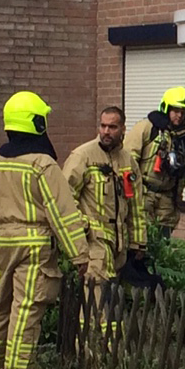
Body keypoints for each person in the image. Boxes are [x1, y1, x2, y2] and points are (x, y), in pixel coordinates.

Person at [0, 91, 88, 369]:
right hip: (35, 248)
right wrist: (79, 255)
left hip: (4, 245)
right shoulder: (42, 164)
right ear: (37, 124)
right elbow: (61, 212)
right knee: (25, 312)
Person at [63, 106, 146, 286]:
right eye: (103, 126)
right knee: (96, 292)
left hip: (119, 245)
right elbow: (65, 198)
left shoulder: (128, 161)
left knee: (112, 296)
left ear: (123, 129)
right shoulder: (82, 156)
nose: (106, 131)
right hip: (93, 242)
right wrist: (83, 226)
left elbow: (136, 205)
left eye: (112, 127)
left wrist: (138, 242)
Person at [123, 86, 185, 239]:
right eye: (175, 111)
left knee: (163, 238)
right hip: (144, 193)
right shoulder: (147, 127)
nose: (179, 116)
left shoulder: (182, 137)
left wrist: (177, 199)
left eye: (183, 112)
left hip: (167, 198)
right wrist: (131, 192)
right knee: (140, 238)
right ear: (166, 108)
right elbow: (128, 159)